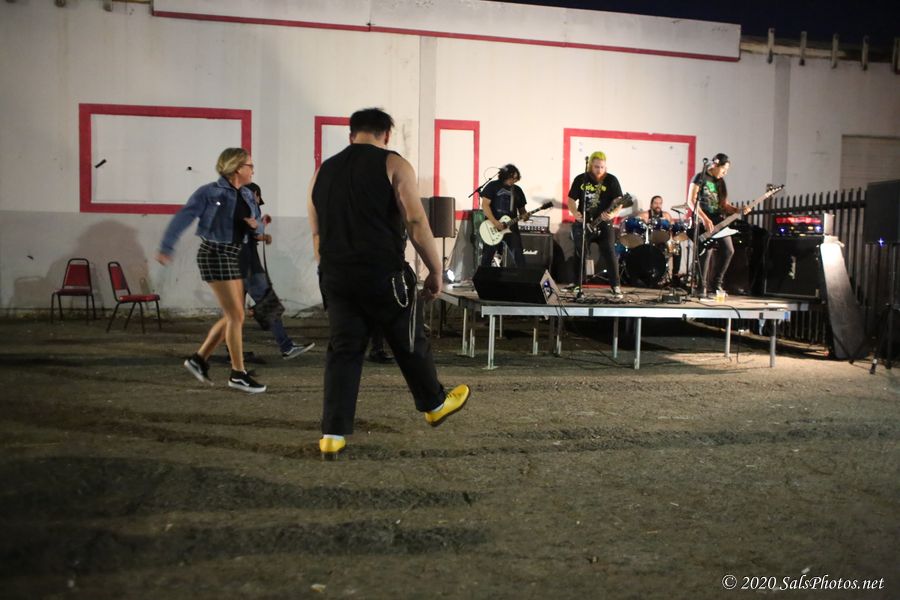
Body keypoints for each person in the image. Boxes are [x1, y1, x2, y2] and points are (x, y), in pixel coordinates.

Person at [308, 107, 470, 459]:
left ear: (351, 135)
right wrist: (435, 271)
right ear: (387, 135)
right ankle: (435, 404)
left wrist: (331, 272)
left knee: (343, 350)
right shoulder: (394, 164)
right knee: (408, 339)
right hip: (383, 273)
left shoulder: (323, 171)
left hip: (336, 274)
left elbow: (317, 231)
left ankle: (333, 433)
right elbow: (415, 220)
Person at [157, 147, 266, 393]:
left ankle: (199, 359)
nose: (253, 169)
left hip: (234, 254)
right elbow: (183, 218)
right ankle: (238, 373)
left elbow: (258, 226)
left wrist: (255, 226)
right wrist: (166, 247)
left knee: (234, 314)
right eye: (249, 165)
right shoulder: (209, 192)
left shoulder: (248, 194)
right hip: (214, 253)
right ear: (236, 167)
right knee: (236, 316)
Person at [240, 182, 315, 360]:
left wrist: (262, 235)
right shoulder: (248, 205)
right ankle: (286, 347)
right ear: (255, 194)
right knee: (269, 303)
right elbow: (253, 230)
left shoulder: (235, 206)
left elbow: (246, 234)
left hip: (236, 263)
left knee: (234, 312)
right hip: (248, 263)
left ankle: (229, 353)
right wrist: (262, 224)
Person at [688, 153, 750, 293]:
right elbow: (691, 201)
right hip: (703, 220)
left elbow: (725, 205)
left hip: (718, 221)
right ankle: (701, 287)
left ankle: (716, 285)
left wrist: (738, 210)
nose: (725, 173)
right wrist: (704, 218)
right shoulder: (700, 177)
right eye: (724, 169)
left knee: (728, 250)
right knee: (706, 251)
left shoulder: (720, 182)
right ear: (715, 165)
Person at [567, 151, 625, 296]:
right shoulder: (581, 179)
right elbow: (571, 199)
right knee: (580, 252)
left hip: (604, 223)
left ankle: (615, 285)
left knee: (610, 252)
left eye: (602, 167)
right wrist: (574, 212)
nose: (599, 170)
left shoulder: (611, 180)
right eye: (596, 167)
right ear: (590, 166)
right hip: (584, 222)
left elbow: (619, 202)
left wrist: (612, 214)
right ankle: (577, 283)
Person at [480, 164, 527, 268]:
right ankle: (484, 277)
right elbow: (485, 205)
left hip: (511, 227)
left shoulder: (517, 190)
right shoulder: (492, 186)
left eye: (515, 178)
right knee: (487, 257)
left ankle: (523, 277)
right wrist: (495, 222)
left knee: (519, 257)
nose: (513, 180)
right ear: (505, 175)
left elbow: (522, 210)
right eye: (512, 178)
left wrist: (525, 216)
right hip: (493, 226)